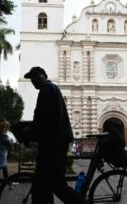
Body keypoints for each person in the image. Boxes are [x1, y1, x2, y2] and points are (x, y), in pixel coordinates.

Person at [24, 66, 86, 204]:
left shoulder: (47, 89)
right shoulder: (51, 88)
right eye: (31, 79)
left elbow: (41, 116)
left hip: (54, 143)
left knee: (56, 184)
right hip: (53, 141)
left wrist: (29, 132)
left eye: (34, 77)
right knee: (43, 183)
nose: (33, 81)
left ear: (42, 76)